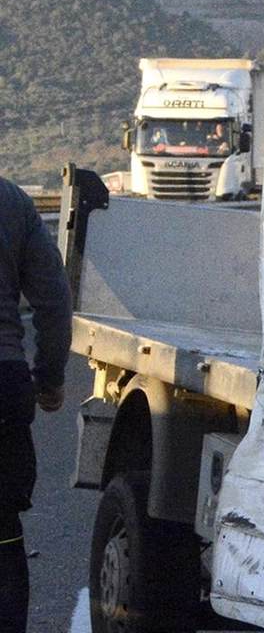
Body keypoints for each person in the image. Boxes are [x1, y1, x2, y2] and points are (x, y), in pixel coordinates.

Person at [0, 176, 71, 633]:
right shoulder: (12, 201)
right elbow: (53, 298)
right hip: (4, 381)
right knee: (3, 530)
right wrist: (49, 377)